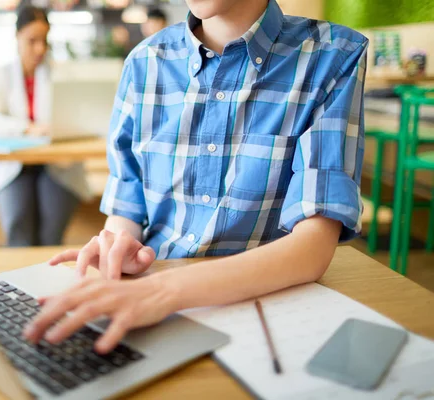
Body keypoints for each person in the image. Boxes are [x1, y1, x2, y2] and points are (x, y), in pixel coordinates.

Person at [23, 0, 368, 354]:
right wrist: (120, 246)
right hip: (146, 305)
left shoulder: (333, 55)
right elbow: (127, 209)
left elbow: (311, 250)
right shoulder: (144, 62)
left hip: (262, 317)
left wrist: (162, 292)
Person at [0, 6, 91, 247]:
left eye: (44, 41)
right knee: (17, 228)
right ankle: (19, 282)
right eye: (32, 41)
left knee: (51, 233)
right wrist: (27, 128)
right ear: (17, 37)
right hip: (14, 165)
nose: (40, 49)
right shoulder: (1, 76)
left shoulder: (62, 74)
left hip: (57, 165)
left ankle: (49, 280)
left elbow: (78, 118)